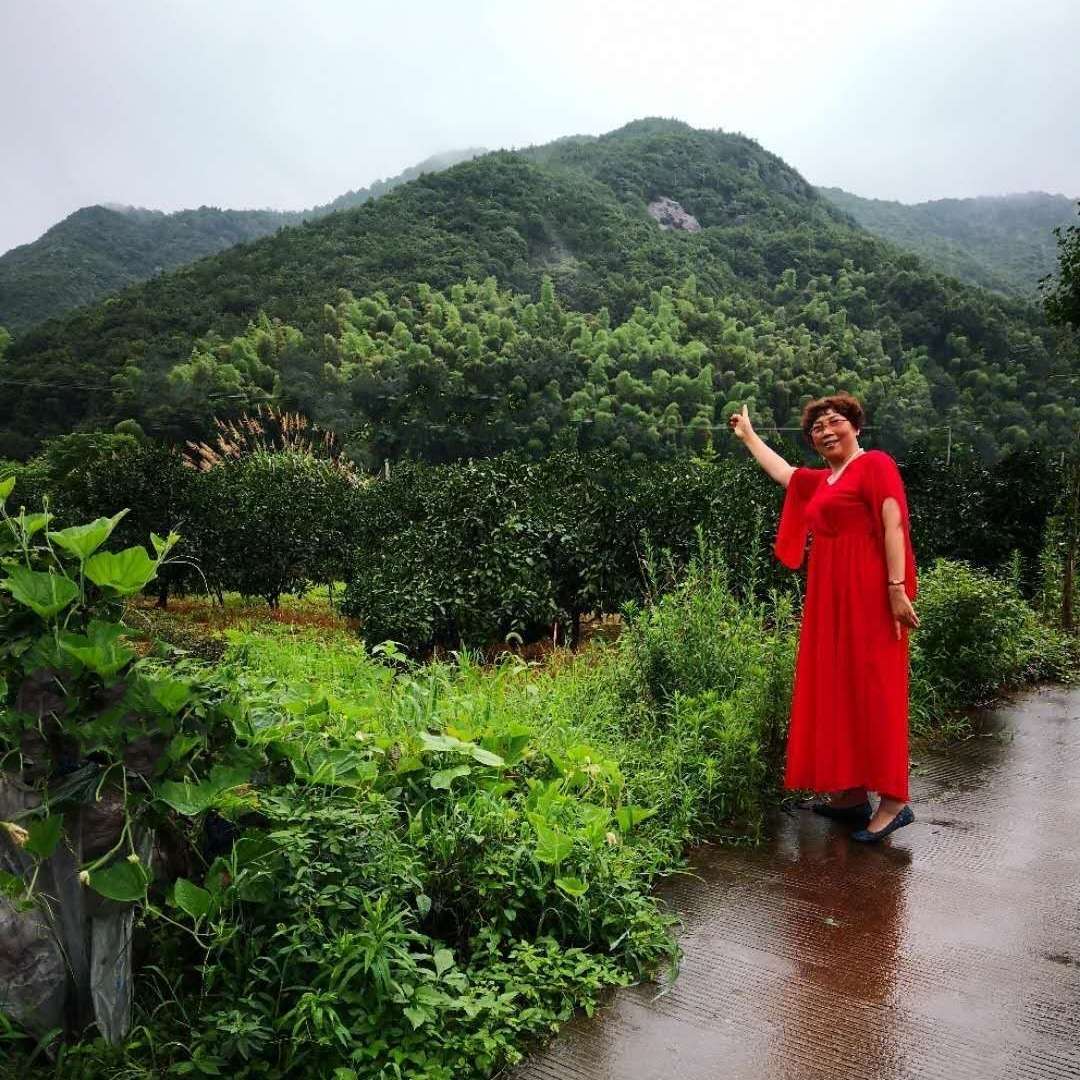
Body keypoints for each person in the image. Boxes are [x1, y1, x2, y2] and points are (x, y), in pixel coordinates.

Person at [728, 394, 919, 842]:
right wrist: (750, 436)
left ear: (855, 426)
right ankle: (850, 797)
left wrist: (896, 589)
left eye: (835, 422)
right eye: (817, 428)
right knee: (837, 685)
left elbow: (892, 523)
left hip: (870, 591)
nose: (826, 431)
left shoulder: (875, 465)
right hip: (830, 596)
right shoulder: (826, 480)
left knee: (876, 688)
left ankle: (894, 802)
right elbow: (785, 474)